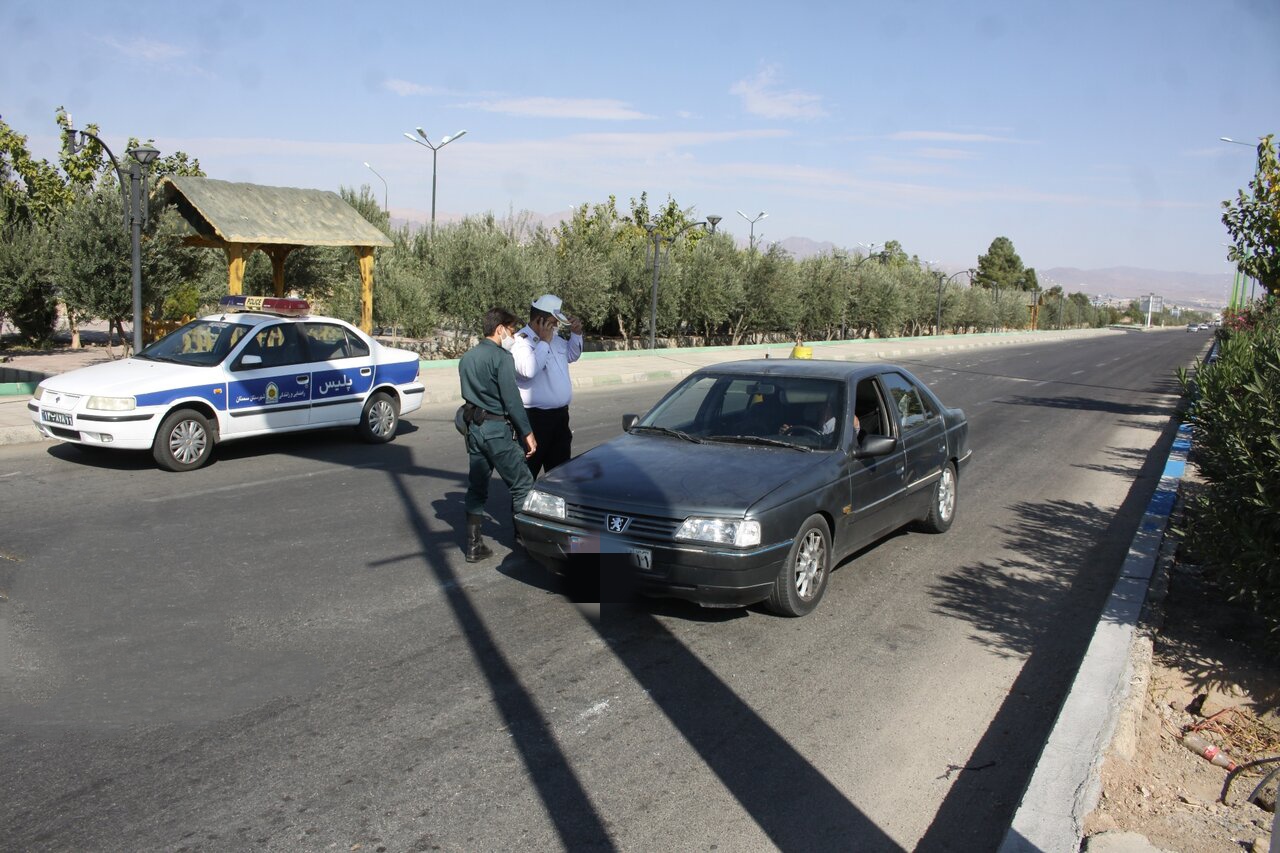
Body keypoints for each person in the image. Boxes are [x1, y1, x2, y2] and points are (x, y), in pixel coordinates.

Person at [458, 308, 537, 563]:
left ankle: (473, 546)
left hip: (474, 431)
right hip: (496, 432)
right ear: (500, 328)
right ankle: (528, 544)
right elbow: (512, 401)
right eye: (511, 329)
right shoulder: (502, 358)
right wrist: (527, 432)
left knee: (477, 488)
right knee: (522, 484)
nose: (512, 334)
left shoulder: (467, 358)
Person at [511, 293, 583, 477]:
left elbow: (572, 355)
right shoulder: (521, 341)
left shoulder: (556, 339)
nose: (557, 325)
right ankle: (521, 507)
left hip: (560, 418)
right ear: (540, 321)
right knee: (527, 475)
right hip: (535, 420)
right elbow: (527, 371)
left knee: (560, 474)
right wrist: (543, 342)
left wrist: (576, 334)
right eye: (553, 321)